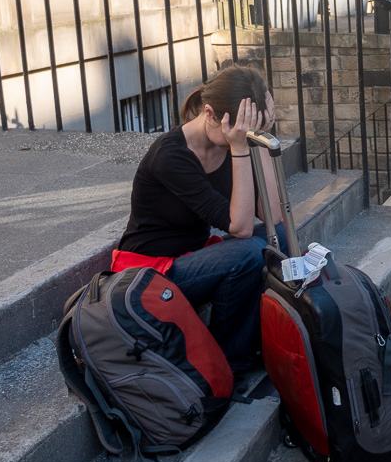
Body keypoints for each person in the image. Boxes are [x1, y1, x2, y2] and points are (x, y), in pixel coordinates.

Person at [114, 65, 287, 374]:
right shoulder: (171, 156)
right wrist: (240, 147)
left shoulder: (228, 144)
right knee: (247, 253)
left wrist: (260, 138)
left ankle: (271, 339)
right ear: (209, 113)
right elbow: (242, 228)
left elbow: (273, 217)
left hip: (192, 257)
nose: (242, 140)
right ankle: (228, 362)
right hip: (151, 270)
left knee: (281, 239)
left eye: (250, 133)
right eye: (239, 133)